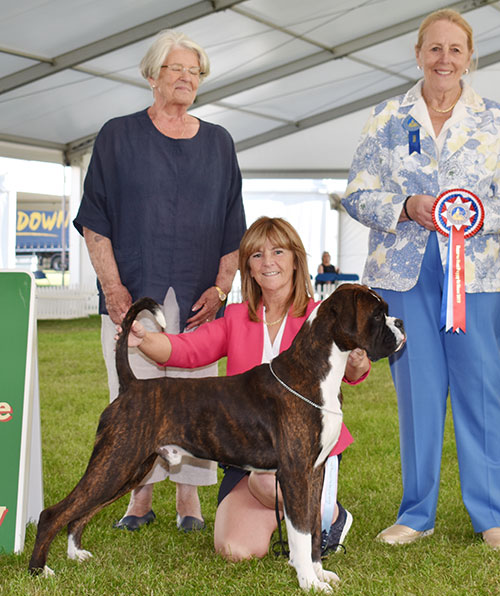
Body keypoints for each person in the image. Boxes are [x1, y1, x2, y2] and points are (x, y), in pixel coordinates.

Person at [73, 29, 246, 533]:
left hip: (198, 297)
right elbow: (95, 219)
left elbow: (233, 223)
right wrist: (111, 287)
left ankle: (189, 500)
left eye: (195, 72)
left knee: (195, 397)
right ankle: (138, 497)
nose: (187, 78)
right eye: (177, 69)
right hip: (135, 292)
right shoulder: (117, 135)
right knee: (135, 395)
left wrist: (222, 286)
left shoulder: (219, 142)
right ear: (152, 76)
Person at [119, 216, 371, 560]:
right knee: (236, 549)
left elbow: (355, 372)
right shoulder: (237, 316)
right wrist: (144, 339)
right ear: (248, 269)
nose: (268, 262)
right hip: (249, 459)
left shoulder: (320, 313)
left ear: (296, 259)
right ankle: (289, 514)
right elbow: (187, 350)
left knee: (273, 480)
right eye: (256, 255)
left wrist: (356, 359)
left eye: (278, 251)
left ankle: (327, 516)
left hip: (305, 452)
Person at [342, 9, 500, 549]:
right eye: (435, 49)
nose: (445, 60)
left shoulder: (494, 120)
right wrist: (407, 205)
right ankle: (416, 512)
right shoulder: (386, 118)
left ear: (470, 56)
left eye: (456, 50)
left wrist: (474, 212)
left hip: (477, 276)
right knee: (418, 393)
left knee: (481, 392)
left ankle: (491, 515)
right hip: (403, 275)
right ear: (418, 54)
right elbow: (357, 195)